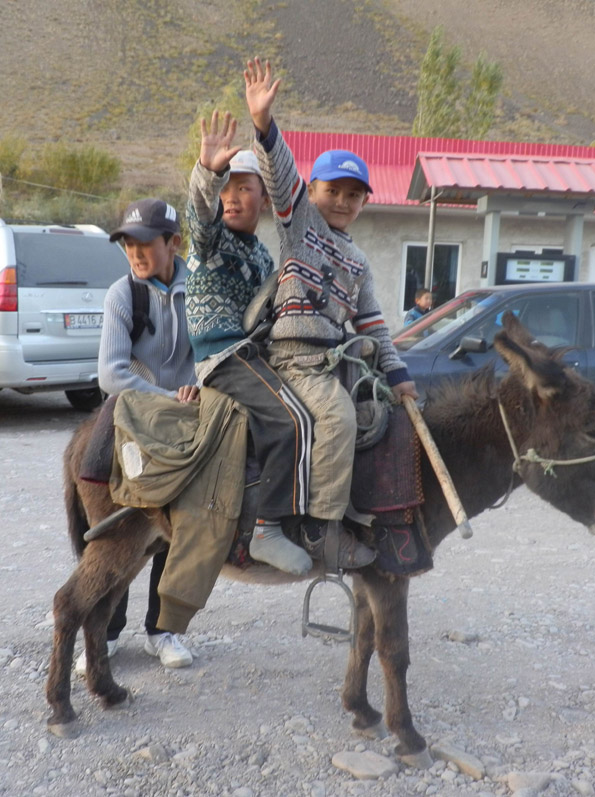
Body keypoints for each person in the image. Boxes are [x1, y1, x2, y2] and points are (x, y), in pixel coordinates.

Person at [245, 57, 419, 568]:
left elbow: (374, 324)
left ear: (364, 202)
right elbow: (281, 177)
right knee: (339, 417)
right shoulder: (301, 226)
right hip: (295, 361)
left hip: (335, 363)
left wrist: (398, 374)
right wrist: (263, 125)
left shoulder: (359, 261)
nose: (342, 201)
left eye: (353, 195)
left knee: (377, 413)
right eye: (332, 191)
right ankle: (322, 529)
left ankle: (366, 507)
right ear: (313, 192)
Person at [185, 109, 315, 576]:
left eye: (244, 188)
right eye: (227, 188)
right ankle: (268, 529)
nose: (232, 197)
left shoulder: (261, 254)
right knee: (292, 418)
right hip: (223, 356)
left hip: (249, 355)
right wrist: (208, 171)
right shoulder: (212, 241)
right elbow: (199, 215)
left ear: (264, 199)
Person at [96, 197, 197, 669]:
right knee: (117, 520)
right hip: (134, 417)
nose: (135, 253)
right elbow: (111, 375)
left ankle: (163, 630)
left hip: (188, 420)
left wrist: (199, 388)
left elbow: (213, 353)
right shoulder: (123, 294)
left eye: (145, 243)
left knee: (178, 527)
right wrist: (168, 397)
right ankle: (105, 629)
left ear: (173, 243)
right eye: (127, 244)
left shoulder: (200, 292)